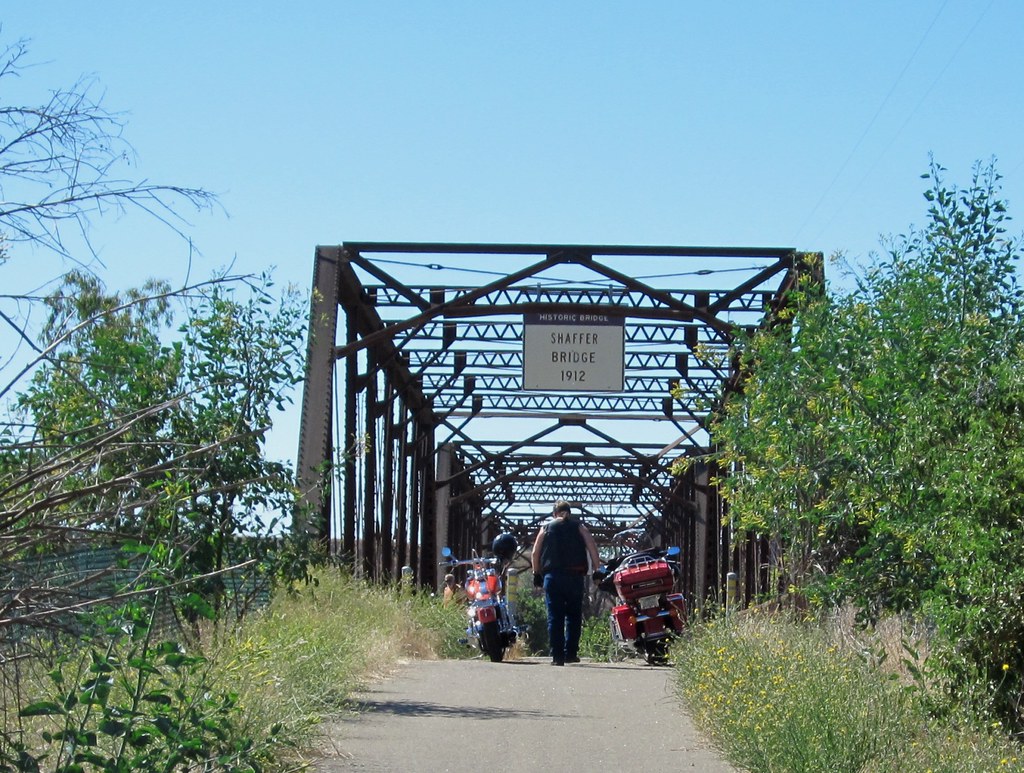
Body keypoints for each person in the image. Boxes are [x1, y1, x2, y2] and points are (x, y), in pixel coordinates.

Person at [531, 500, 600, 666]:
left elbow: (535, 552)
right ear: (569, 512)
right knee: (574, 616)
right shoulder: (579, 527)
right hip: (575, 576)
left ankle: (557, 657)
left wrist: (536, 573)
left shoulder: (546, 528)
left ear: (555, 514)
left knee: (555, 617)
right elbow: (592, 547)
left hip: (553, 576)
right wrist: (597, 570)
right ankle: (570, 653)